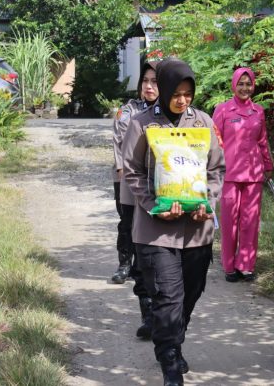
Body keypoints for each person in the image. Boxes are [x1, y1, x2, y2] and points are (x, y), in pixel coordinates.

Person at [122, 58, 224, 386]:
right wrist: (154, 206)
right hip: (156, 231)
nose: (182, 100)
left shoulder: (203, 122)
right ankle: (169, 361)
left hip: (196, 229)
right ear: (164, 90)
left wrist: (206, 201)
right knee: (168, 296)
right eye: (176, 93)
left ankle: (174, 340)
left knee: (191, 292)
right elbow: (132, 171)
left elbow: (216, 169)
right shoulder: (142, 123)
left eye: (188, 94)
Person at [112, 59, 159, 339]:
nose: (149, 86)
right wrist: (124, 173)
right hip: (131, 184)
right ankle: (147, 313)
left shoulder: (171, 113)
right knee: (131, 233)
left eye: (155, 81)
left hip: (163, 191)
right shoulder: (129, 111)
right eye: (146, 81)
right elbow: (119, 144)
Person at [212, 67, 274, 282]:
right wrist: (212, 168)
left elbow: (262, 141)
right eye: (241, 83)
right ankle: (229, 266)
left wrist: (267, 166)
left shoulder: (258, 111)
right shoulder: (222, 110)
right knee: (230, 221)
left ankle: (246, 265)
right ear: (234, 84)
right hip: (229, 173)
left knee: (250, 221)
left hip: (254, 173)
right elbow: (214, 142)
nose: (245, 88)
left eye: (249, 84)